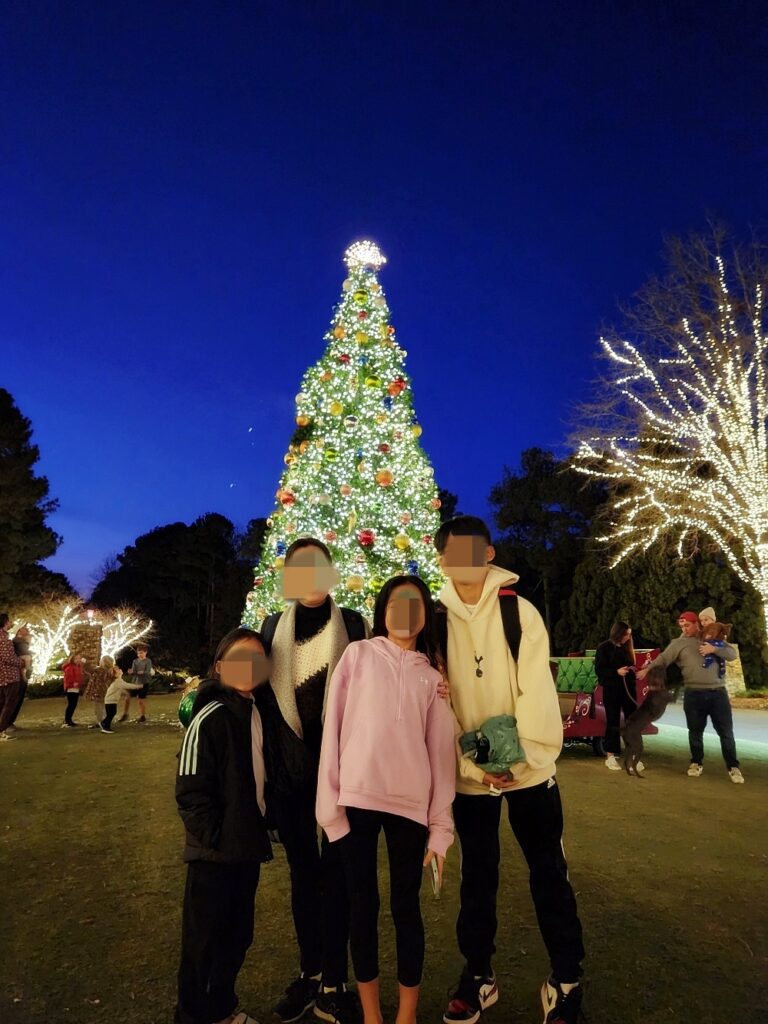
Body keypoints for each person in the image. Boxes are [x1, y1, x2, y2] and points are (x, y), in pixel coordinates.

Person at [433, 516, 585, 1024]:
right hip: (468, 778)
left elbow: (537, 696)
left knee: (549, 872)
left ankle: (565, 980)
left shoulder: (519, 613)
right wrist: (474, 768)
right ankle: (478, 975)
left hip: (531, 773)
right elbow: (438, 709)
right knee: (478, 877)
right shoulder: (434, 622)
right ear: (442, 558)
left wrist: (522, 760)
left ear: (490, 553)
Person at [316, 576, 456, 1024]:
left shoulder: (432, 678)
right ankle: (373, 1014)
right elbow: (332, 732)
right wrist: (330, 807)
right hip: (356, 799)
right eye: (397, 603)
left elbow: (441, 757)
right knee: (363, 905)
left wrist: (440, 828)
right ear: (383, 610)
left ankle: (407, 1015)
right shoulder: (356, 656)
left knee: (404, 908)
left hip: (410, 807)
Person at [261, 537, 368, 1024]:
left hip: (343, 775)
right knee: (304, 878)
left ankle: (335, 980)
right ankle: (310, 974)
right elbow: (264, 703)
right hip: (290, 777)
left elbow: (374, 695)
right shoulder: (269, 629)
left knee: (341, 878)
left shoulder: (356, 624)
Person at [174, 626, 272, 1024]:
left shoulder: (255, 710)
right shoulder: (210, 716)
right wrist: (215, 837)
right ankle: (193, 1015)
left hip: (245, 847)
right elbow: (190, 791)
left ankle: (222, 1007)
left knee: (236, 936)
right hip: (214, 854)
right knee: (203, 943)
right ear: (219, 667)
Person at [637, 611, 744, 783]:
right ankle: (696, 762)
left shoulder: (712, 637)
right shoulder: (679, 643)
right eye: (681, 626)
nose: (684, 629)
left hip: (718, 693)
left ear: (697, 624)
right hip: (694, 693)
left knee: (726, 732)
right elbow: (663, 659)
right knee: (695, 732)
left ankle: (733, 767)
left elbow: (732, 654)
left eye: (687, 625)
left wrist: (714, 648)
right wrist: (647, 669)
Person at [594, 622, 639, 771]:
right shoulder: (604, 648)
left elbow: (631, 666)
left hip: (628, 691)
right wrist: (616, 672)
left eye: (630, 634)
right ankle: (610, 757)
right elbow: (600, 670)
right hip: (612, 690)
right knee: (613, 722)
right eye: (626, 634)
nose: (628, 637)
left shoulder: (628, 648)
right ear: (618, 633)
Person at [0, 612, 24, 741]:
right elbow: (7, 658)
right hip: (9, 676)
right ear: (5, 623)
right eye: (8, 621)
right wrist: (21, 662)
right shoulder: (4, 639)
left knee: (2, 703)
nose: (10, 624)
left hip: (2, 677)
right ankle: (2, 729)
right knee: (9, 704)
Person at [5, 625, 33, 734]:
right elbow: (25, 655)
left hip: (21, 672)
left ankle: (9, 722)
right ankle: (7, 722)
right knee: (16, 698)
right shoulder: (18, 642)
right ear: (19, 631)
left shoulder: (20, 642)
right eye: (24, 629)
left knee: (17, 698)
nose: (27, 630)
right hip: (19, 673)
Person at [84, 654, 121, 729]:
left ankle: (101, 722)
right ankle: (105, 721)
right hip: (108, 692)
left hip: (98, 692)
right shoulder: (113, 671)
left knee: (99, 709)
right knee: (106, 708)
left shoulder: (98, 670)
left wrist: (85, 661)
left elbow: (88, 669)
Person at [102, 665, 142, 733]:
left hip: (110, 701)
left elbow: (120, 689)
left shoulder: (118, 681)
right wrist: (139, 686)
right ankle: (106, 727)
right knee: (111, 714)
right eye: (118, 670)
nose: (120, 670)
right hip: (110, 701)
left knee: (111, 713)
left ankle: (104, 723)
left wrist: (126, 693)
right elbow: (128, 685)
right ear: (115, 675)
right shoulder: (118, 681)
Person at [119, 644, 153, 723]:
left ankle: (142, 716)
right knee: (127, 698)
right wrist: (132, 672)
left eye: (141, 653)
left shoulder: (148, 661)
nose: (140, 655)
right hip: (135, 683)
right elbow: (134, 671)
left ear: (145, 653)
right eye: (138, 653)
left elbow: (147, 672)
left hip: (144, 682)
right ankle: (125, 714)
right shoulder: (135, 661)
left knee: (141, 700)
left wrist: (140, 672)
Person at [62, 654, 86, 728]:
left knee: (73, 704)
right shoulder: (70, 667)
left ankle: (69, 720)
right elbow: (68, 677)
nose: (78, 660)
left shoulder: (77, 667)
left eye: (79, 658)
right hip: (71, 687)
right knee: (72, 704)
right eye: (76, 658)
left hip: (75, 687)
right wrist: (73, 683)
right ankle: (67, 720)